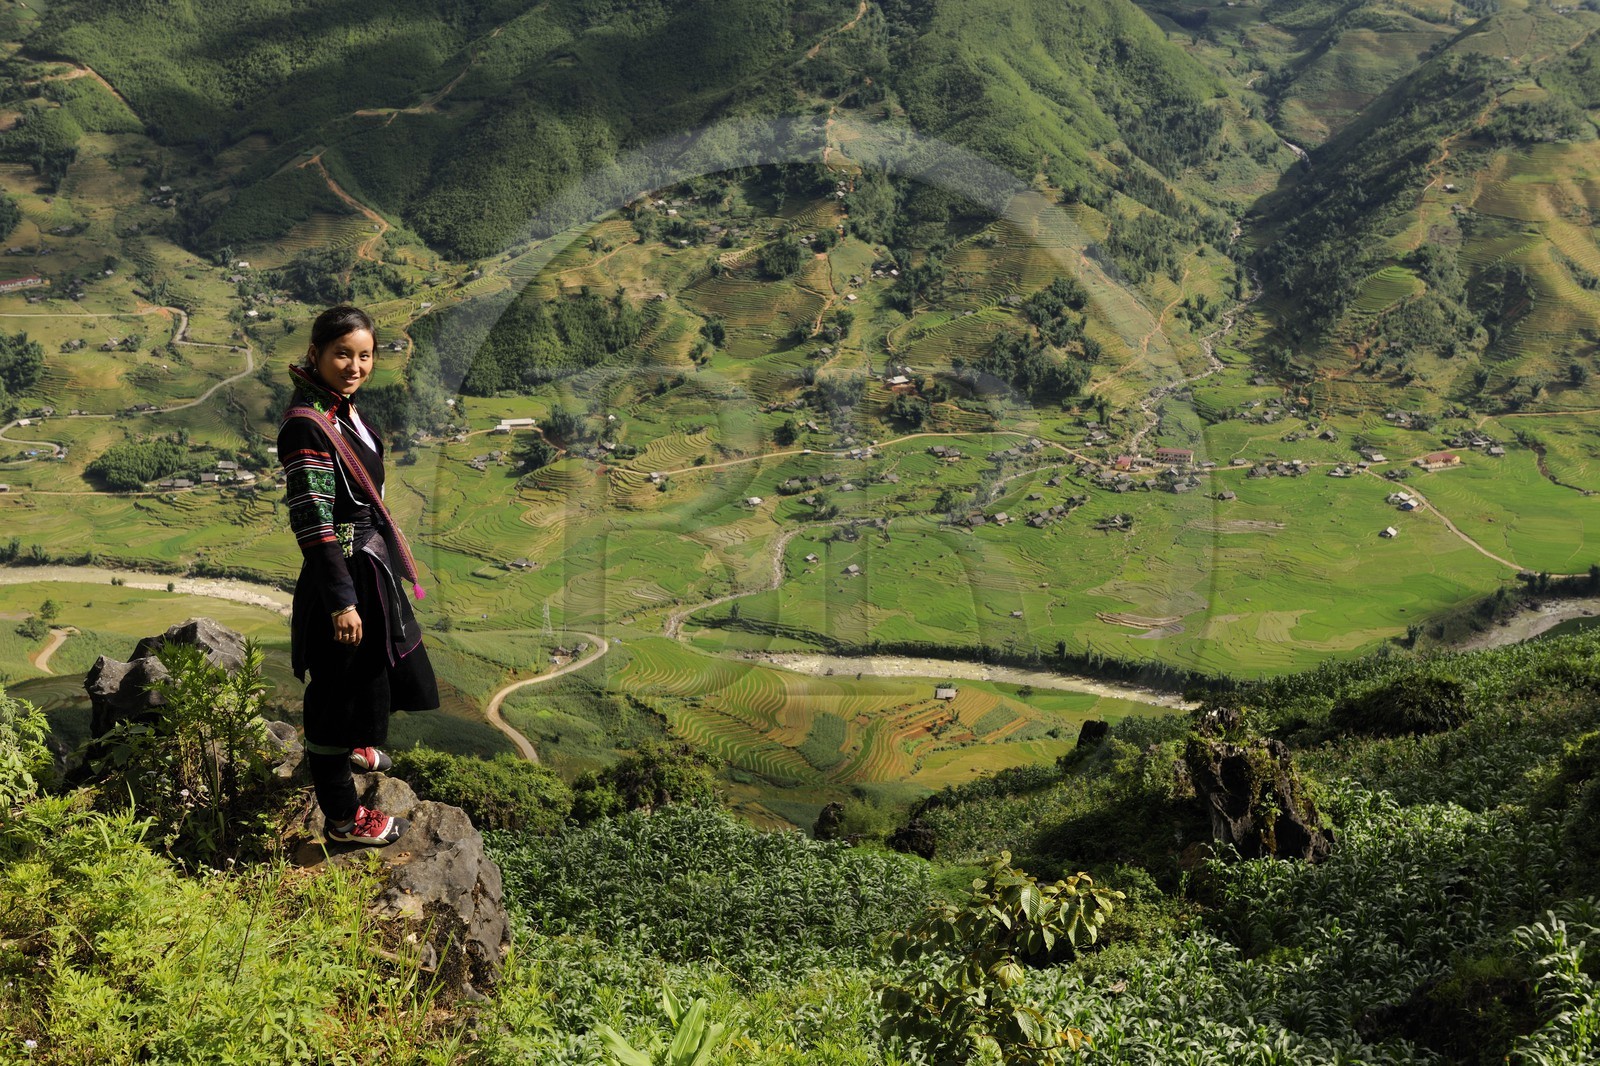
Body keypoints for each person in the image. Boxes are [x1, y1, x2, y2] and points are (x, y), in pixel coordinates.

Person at [277, 305, 439, 846]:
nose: (355, 365)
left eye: (364, 355)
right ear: (316, 354)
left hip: (368, 569)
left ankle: (355, 743)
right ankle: (345, 819)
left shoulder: (345, 411)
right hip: (340, 577)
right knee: (335, 693)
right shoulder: (306, 427)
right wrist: (341, 602)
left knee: (370, 670)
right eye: (342, 354)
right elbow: (314, 525)